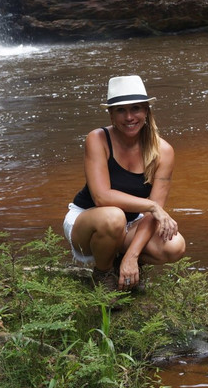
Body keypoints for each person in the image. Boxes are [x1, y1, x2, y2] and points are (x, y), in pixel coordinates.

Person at [62, 75, 186, 291]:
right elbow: (102, 197)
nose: (129, 117)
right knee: (113, 216)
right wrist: (152, 206)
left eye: (136, 108)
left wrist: (132, 255)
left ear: (146, 110)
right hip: (87, 222)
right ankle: (103, 274)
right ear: (111, 114)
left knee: (175, 246)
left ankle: (124, 264)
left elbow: (151, 215)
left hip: (130, 224)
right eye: (121, 110)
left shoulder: (163, 151)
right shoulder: (97, 139)